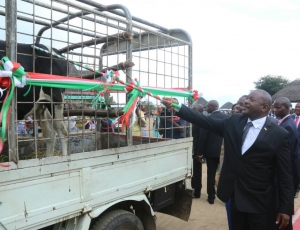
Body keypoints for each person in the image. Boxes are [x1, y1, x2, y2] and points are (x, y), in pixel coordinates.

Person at [162, 89, 294, 230]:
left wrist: (285, 208)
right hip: (234, 197)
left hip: (260, 203)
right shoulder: (234, 121)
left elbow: (285, 175)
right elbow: (205, 121)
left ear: (264, 107)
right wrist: (179, 108)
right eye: (247, 98)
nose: (246, 101)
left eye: (251, 99)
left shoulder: (279, 134)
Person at [273, 97, 300, 230]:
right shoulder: (284, 123)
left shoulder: (287, 126)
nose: (275, 109)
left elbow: (286, 156)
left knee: (283, 209)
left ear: (287, 108)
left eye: (278, 107)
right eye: (274, 106)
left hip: (286, 172)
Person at [198, 100, 228, 204]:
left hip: (210, 152)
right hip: (224, 151)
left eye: (208, 106)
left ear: (214, 106)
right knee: (224, 173)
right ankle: (224, 196)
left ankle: (211, 197)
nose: (207, 108)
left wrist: (200, 153)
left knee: (211, 173)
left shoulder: (209, 119)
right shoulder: (227, 118)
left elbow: (203, 137)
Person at [191, 103, 204, 198]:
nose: (192, 111)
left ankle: (197, 191)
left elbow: (201, 138)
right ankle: (193, 188)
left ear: (200, 111)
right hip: (192, 149)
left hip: (197, 151)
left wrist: (199, 153)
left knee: (197, 171)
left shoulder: (201, 121)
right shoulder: (194, 119)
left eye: (194, 110)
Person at [292, 102, 300, 198]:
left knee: (298, 170)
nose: (297, 108)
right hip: (291, 149)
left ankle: (297, 188)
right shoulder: (291, 118)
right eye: (296, 106)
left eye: (299, 107)